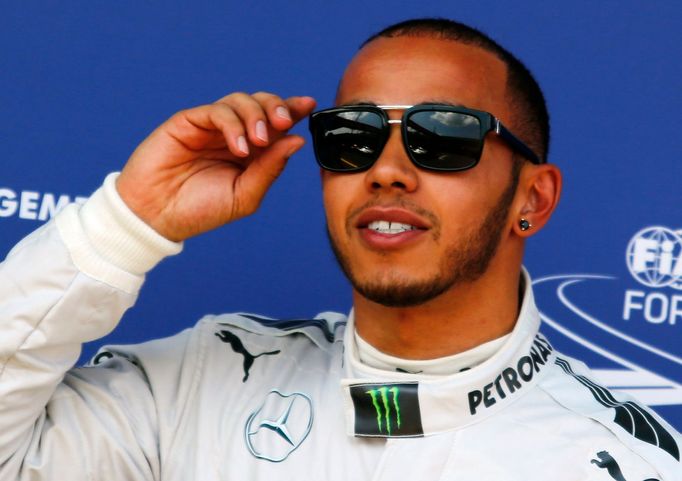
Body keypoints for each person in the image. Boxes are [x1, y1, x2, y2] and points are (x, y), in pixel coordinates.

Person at [0, 17, 680, 481]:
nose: (386, 169)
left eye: (442, 135)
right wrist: (127, 221)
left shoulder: (626, 461)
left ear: (532, 199)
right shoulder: (201, 383)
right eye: (351, 136)